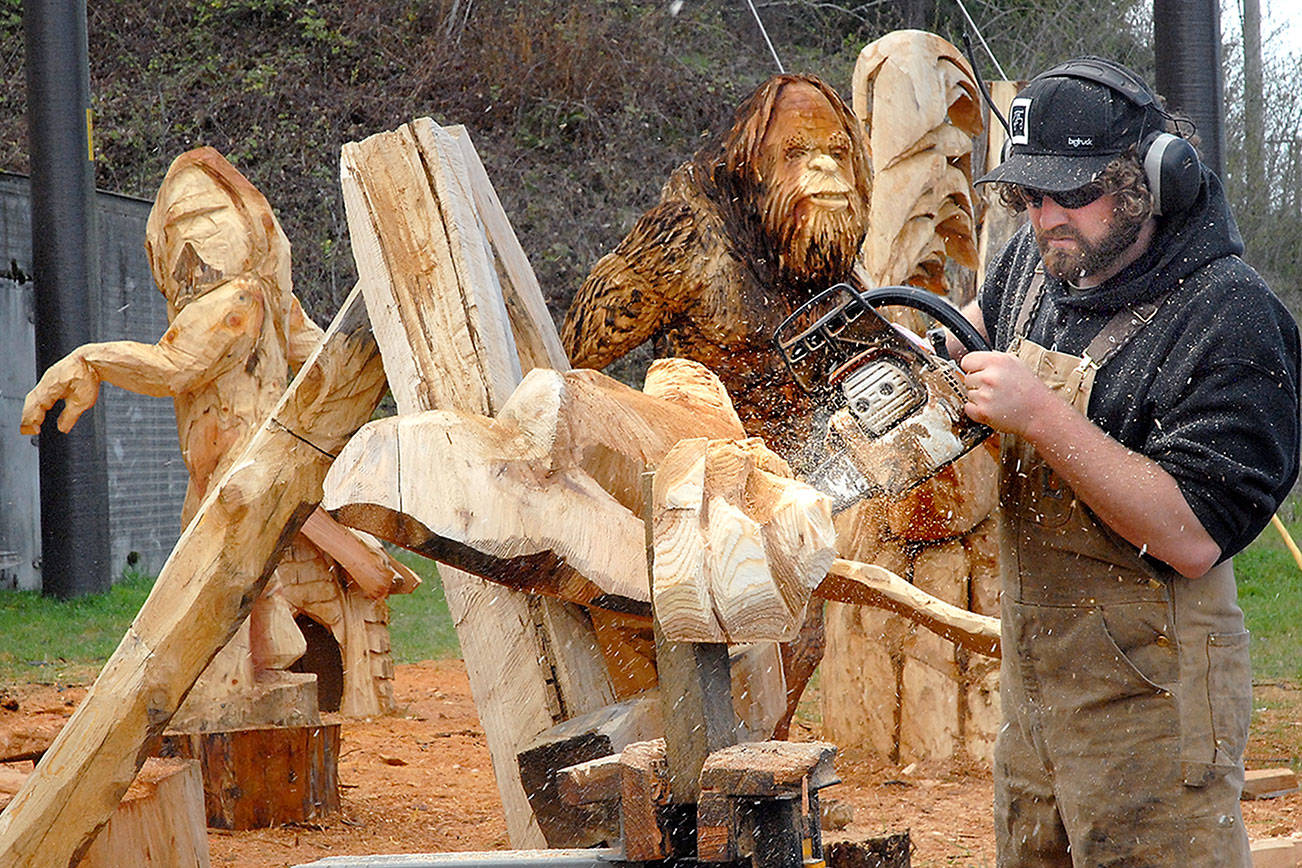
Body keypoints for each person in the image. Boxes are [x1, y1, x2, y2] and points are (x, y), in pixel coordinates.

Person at [952, 57, 1300, 865]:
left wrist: (1040, 416)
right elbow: (968, 327)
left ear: (1150, 181)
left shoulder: (1232, 318)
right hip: (1038, 694)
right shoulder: (1036, 264)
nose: (1046, 220)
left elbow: (1192, 536)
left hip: (1161, 703)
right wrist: (923, 349)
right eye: (1030, 197)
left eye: (1074, 194)